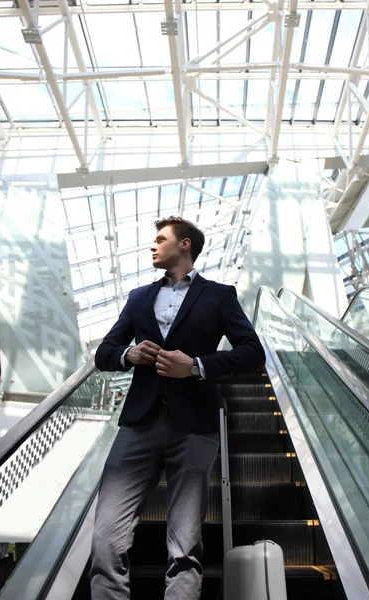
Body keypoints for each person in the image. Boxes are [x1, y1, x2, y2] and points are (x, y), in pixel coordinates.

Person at [90, 216, 265, 600]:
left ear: (184, 245)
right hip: (138, 423)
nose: (151, 246)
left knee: (184, 546)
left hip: (195, 426)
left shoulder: (219, 294)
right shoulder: (138, 297)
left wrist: (198, 366)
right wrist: (128, 354)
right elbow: (103, 353)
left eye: (159, 239)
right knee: (105, 536)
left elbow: (253, 353)